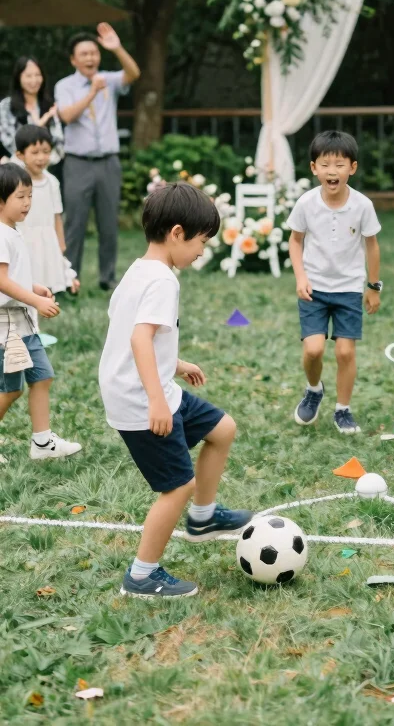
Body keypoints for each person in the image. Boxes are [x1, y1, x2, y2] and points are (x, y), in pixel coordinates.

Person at [99, 182, 251, 598]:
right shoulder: (163, 280)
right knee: (176, 486)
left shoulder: (139, 270)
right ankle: (143, 575)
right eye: (201, 241)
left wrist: (176, 365)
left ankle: (202, 518)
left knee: (223, 429)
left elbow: (131, 330)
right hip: (141, 398)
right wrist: (155, 399)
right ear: (178, 233)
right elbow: (139, 340)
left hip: (153, 384)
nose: (202, 251)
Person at [288, 130, 382, 436]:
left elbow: (372, 246)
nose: (332, 171)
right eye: (325, 164)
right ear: (314, 167)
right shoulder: (305, 203)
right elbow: (295, 241)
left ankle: (343, 410)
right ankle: (314, 389)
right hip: (314, 287)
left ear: (352, 168)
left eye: (340, 165)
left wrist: (373, 286)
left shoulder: (362, 205)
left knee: (345, 352)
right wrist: (300, 276)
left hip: (349, 288)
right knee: (313, 350)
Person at [0, 162, 81, 459]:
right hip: (8, 327)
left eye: (30, 196)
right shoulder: (1, 234)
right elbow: (1, 282)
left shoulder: (11, 231)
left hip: (22, 323)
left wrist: (34, 288)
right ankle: (42, 441)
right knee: (10, 390)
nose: (28, 203)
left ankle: (42, 442)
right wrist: (35, 301)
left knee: (42, 377)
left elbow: (11, 279)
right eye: (20, 197)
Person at [55, 22, 140, 290]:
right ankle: (70, 279)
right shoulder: (65, 86)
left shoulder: (109, 79)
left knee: (108, 224)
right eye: (84, 54)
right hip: (78, 162)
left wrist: (117, 48)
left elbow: (133, 73)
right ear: (73, 59)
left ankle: (107, 277)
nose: (90, 58)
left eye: (94, 53)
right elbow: (67, 116)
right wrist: (92, 92)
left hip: (108, 162)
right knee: (75, 224)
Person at [14, 125, 79, 296]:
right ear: (20, 155)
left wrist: (61, 244)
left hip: (47, 237)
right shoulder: (16, 182)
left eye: (46, 151)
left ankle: (46, 301)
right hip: (24, 235)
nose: (41, 158)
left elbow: (57, 215)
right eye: (35, 153)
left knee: (46, 274)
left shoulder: (52, 182)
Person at [0, 56, 64, 172]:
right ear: (18, 78)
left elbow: (59, 141)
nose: (33, 80)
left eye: (37, 75)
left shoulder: (49, 105)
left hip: (48, 169)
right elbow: (9, 142)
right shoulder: (7, 106)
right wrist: (40, 125)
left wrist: (43, 160)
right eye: (28, 76)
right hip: (17, 170)